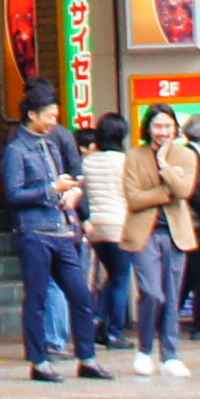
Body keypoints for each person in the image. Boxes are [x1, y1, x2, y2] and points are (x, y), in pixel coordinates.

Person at [0, 88, 101, 381]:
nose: (53, 123)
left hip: (61, 229)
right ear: (32, 115)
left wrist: (72, 193)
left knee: (81, 294)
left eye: (55, 117)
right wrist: (51, 190)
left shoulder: (51, 145)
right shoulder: (16, 150)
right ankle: (39, 362)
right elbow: (14, 194)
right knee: (37, 298)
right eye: (49, 117)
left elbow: (64, 180)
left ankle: (87, 358)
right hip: (34, 232)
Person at [128, 107, 200, 377]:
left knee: (172, 296)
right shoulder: (134, 156)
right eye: (158, 127)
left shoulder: (186, 155)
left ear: (175, 129)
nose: (163, 132)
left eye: (168, 127)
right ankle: (144, 350)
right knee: (151, 292)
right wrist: (164, 192)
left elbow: (184, 191)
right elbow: (133, 198)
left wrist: (164, 164)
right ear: (148, 128)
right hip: (144, 233)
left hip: (175, 233)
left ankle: (170, 355)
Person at [77, 112, 135, 359]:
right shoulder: (125, 161)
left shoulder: (88, 162)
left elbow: (82, 194)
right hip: (119, 225)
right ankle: (114, 332)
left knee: (111, 276)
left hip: (96, 228)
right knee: (121, 278)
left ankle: (97, 321)